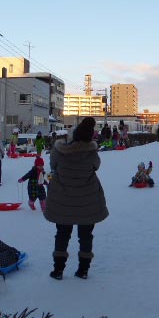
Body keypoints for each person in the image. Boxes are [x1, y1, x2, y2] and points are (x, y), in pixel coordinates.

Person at [45, 117, 108, 280]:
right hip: (87, 201)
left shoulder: (60, 151)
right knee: (86, 236)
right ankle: (83, 270)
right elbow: (96, 166)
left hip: (63, 200)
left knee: (62, 234)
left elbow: (53, 166)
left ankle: (58, 270)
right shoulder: (91, 153)